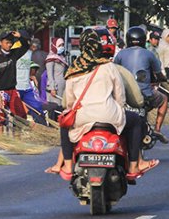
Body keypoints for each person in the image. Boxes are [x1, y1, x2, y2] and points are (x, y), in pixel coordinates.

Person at [54, 28, 158, 181]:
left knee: (64, 124)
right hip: (110, 115)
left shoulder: (73, 69)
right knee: (136, 121)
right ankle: (135, 165)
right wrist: (118, 108)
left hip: (82, 117)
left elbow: (69, 102)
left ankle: (68, 165)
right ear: (98, 46)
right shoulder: (108, 66)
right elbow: (120, 96)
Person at [114, 26, 169, 143]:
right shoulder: (149, 54)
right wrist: (163, 79)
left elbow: (114, 71)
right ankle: (158, 128)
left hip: (125, 94)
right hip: (144, 94)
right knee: (164, 99)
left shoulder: (120, 55)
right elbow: (158, 73)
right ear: (144, 40)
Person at [0, 30, 30, 119]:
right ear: (0, 43)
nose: (9, 45)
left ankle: (18, 132)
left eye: (10, 42)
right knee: (1, 117)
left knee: (21, 115)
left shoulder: (13, 54)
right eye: (7, 42)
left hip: (13, 90)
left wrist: (20, 37)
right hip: (1, 91)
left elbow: (25, 46)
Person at [15, 43, 47, 125]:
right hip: (16, 87)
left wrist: (31, 76)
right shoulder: (14, 53)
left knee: (37, 107)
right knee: (17, 112)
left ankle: (43, 129)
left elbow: (32, 67)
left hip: (27, 88)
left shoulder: (30, 54)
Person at [45, 38, 68, 107]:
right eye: (59, 45)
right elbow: (50, 75)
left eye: (63, 45)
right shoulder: (50, 59)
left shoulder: (61, 58)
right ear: (54, 46)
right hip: (55, 88)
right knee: (55, 107)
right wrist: (52, 88)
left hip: (62, 87)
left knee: (62, 106)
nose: (62, 47)